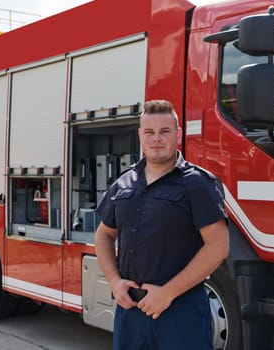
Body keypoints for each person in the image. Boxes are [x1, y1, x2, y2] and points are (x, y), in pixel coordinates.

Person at [94, 100, 229, 350]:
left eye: (165, 132)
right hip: (130, 313)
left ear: (178, 135)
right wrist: (114, 282)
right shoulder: (123, 183)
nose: (157, 139)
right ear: (140, 136)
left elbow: (218, 246)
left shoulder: (197, 184)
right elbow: (103, 235)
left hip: (180, 313)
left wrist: (167, 293)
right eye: (149, 132)